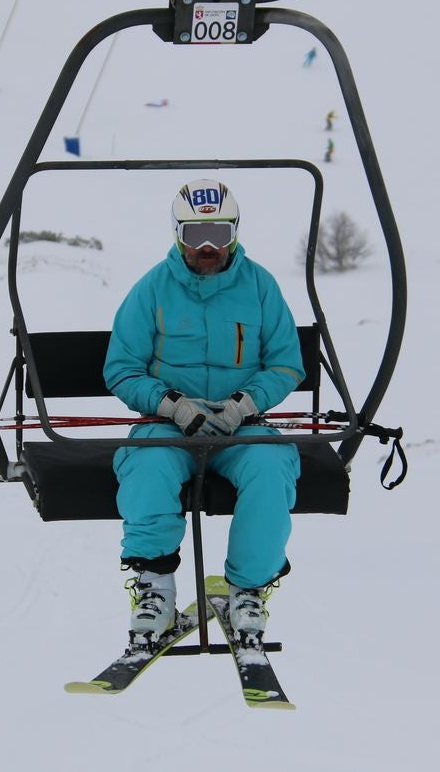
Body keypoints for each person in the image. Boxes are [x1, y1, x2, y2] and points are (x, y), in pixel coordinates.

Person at [103, 179, 303, 648]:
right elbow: (122, 368)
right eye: (196, 235)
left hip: (241, 427)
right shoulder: (152, 289)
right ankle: (155, 586)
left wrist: (245, 404)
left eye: (219, 233)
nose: (208, 246)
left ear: (235, 231)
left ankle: (248, 589)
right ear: (177, 235)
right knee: (147, 464)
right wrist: (170, 404)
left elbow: (286, 361)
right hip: (170, 426)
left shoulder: (259, 286)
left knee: (272, 465)